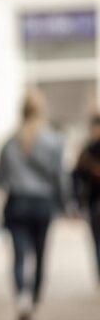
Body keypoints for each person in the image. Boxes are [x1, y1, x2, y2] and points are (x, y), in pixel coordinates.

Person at [0, 89, 68, 320]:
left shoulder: (9, 141)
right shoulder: (53, 140)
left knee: (18, 254)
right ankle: (34, 298)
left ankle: (22, 299)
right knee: (40, 254)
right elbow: (59, 176)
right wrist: (66, 203)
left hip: (17, 202)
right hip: (42, 203)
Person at [72, 112, 100, 283]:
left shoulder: (87, 151)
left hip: (93, 200)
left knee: (97, 239)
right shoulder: (87, 150)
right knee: (96, 239)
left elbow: (76, 176)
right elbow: (76, 176)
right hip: (93, 201)